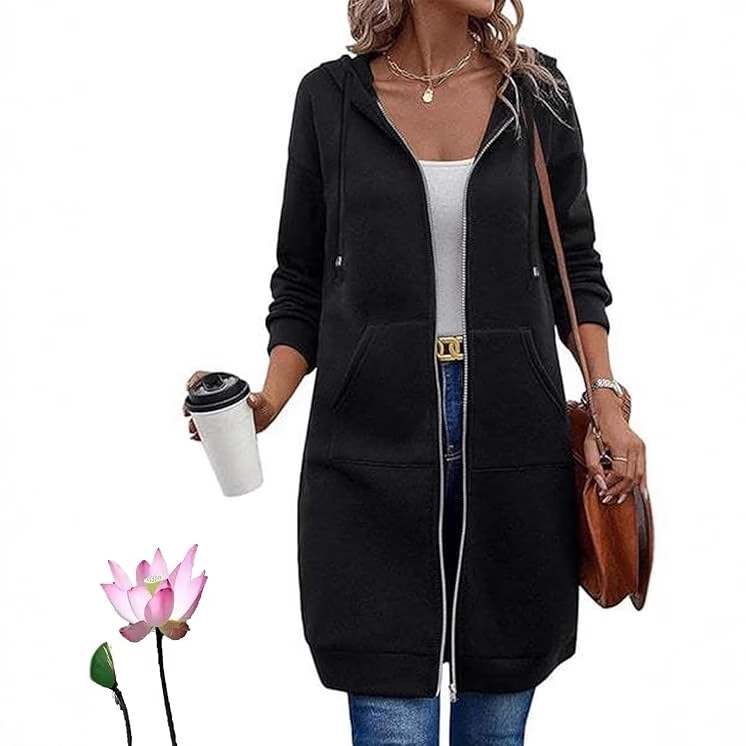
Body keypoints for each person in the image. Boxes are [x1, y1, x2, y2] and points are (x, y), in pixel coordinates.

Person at [185, 1, 647, 743]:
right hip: (369, 444)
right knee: (390, 722)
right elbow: (301, 281)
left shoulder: (537, 94)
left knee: (496, 720)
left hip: (514, 439)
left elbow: (576, 268)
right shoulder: (329, 100)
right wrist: (268, 398)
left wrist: (607, 399)